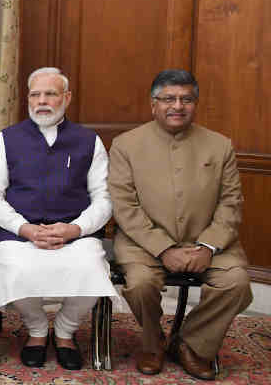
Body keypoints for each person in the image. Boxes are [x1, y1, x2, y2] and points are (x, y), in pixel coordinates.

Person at [108, 69, 253, 380]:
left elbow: (231, 203)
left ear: (195, 104)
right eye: (168, 99)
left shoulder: (219, 145)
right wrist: (164, 248)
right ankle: (153, 343)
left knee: (237, 283)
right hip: (142, 243)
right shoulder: (126, 145)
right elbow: (124, 206)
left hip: (209, 241)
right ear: (153, 104)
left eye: (186, 99)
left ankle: (192, 344)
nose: (177, 106)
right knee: (141, 284)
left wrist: (207, 246)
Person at [0, 67, 117, 370]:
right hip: (21, 233)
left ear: (66, 98)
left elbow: (104, 197)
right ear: (27, 98)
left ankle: (66, 331)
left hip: (74, 233)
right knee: (14, 268)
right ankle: (38, 331)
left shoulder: (88, 140)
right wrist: (24, 228)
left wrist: (74, 229)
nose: (42, 101)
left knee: (92, 268)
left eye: (50, 94)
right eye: (35, 94)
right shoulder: (8, 139)